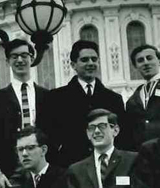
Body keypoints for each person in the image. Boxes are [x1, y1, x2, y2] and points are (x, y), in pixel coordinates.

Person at [41, 40, 128, 168]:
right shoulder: (55, 98)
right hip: (69, 168)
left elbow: (123, 137)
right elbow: (46, 137)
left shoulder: (114, 99)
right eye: (85, 60)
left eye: (94, 59)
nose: (91, 63)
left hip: (108, 167)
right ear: (73, 64)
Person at [0, 39, 50, 188]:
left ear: (32, 59)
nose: (20, 60)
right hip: (11, 172)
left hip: (43, 166)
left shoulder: (47, 96)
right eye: (14, 56)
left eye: (24, 55)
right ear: (8, 61)